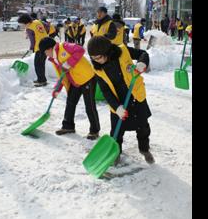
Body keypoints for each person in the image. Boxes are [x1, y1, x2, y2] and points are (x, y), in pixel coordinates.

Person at [87, 36, 155, 164]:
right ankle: (116, 152)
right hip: (118, 102)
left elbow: (143, 53)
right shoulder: (98, 69)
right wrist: (117, 107)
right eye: (94, 58)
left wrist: (142, 63)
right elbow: (105, 91)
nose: (97, 61)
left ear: (107, 51)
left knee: (143, 127)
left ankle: (144, 149)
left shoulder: (123, 51)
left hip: (135, 96)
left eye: (99, 57)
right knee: (116, 132)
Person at [39, 37, 100, 140]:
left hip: (87, 78)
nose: (45, 55)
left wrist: (68, 64)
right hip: (74, 81)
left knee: (89, 105)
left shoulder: (64, 47)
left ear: (49, 48)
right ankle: (68, 126)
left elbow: (80, 50)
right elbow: (62, 75)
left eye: (45, 52)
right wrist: (57, 89)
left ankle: (94, 130)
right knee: (70, 103)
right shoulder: (54, 59)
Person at [18, 13, 49, 87]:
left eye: (22, 23)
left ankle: (42, 81)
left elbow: (32, 41)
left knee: (38, 64)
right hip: (47, 44)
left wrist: (31, 48)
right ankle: (41, 79)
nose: (22, 25)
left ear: (25, 22)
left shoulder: (29, 28)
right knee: (41, 64)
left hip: (40, 47)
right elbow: (47, 27)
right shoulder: (37, 22)